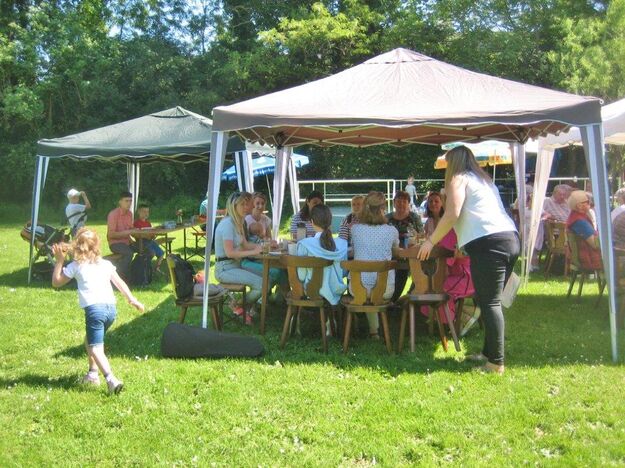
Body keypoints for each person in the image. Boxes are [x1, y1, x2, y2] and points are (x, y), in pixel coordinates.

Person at [417, 145, 519, 375]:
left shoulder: (459, 179)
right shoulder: (484, 181)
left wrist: (430, 241)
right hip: (509, 239)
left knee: (490, 302)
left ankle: (496, 363)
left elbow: (452, 214)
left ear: (453, 163)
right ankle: (488, 353)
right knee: (486, 300)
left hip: (489, 244)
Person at [51, 228, 144, 395]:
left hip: (95, 310)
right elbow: (120, 283)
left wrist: (59, 261)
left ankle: (111, 380)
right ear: (97, 246)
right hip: (111, 310)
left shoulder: (75, 266)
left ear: (77, 246)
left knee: (95, 348)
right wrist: (132, 299)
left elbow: (56, 282)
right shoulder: (105, 264)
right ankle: (93, 374)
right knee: (90, 339)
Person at [351, 191, 400, 339]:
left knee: (366, 282)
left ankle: (374, 330)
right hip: (384, 289)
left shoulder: (355, 230)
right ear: (383, 209)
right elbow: (396, 251)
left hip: (357, 289)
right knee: (375, 283)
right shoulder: (392, 231)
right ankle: (374, 330)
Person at [421, 191, 475, 324]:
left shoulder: (451, 229)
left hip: (467, 277)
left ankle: (460, 318)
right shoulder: (462, 224)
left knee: (435, 290)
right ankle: (457, 315)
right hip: (471, 274)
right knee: (432, 289)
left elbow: (446, 264)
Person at [214, 192, 263, 324]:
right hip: (224, 269)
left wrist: (262, 246)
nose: (246, 207)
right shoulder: (227, 224)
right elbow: (230, 253)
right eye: (242, 204)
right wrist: (253, 252)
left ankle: (241, 306)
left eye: (247, 204)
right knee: (261, 285)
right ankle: (238, 306)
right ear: (233, 206)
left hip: (235, 266)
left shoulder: (238, 222)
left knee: (266, 279)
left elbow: (245, 245)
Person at [297, 204, 348, 305]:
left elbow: (301, 276)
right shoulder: (342, 244)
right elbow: (344, 273)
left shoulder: (304, 244)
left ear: (312, 222)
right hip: (336, 289)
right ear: (330, 221)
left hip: (312, 290)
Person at [386, 190, 424, 301]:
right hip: (391, 254)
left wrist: (415, 237)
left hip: (410, 253)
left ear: (408, 204)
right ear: (394, 203)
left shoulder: (414, 217)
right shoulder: (387, 218)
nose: (401, 204)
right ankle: (392, 300)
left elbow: (421, 236)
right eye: (398, 201)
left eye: (404, 201)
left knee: (418, 271)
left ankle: (405, 299)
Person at [566, 190, 602, 270]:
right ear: (579, 205)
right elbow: (595, 244)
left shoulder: (574, 216)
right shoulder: (580, 221)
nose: (590, 204)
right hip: (588, 258)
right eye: (588, 202)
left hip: (584, 255)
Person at [107, 191, 136, 281]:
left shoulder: (130, 214)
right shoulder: (113, 214)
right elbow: (110, 235)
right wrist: (127, 232)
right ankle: (118, 277)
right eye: (126, 201)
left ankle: (139, 274)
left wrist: (142, 232)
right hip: (115, 243)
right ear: (120, 202)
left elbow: (131, 230)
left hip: (127, 242)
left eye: (130, 201)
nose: (129, 203)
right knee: (129, 253)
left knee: (146, 249)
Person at [133, 204, 164, 273]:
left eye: (147, 212)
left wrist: (154, 234)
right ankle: (146, 268)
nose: (146, 213)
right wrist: (147, 235)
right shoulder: (136, 223)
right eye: (144, 211)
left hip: (150, 241)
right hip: (142, 242)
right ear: (139, 212)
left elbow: (151, 234)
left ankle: (156, 269)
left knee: (161, 253)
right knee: (152, 253)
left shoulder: (148, 223)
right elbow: (136, 235)